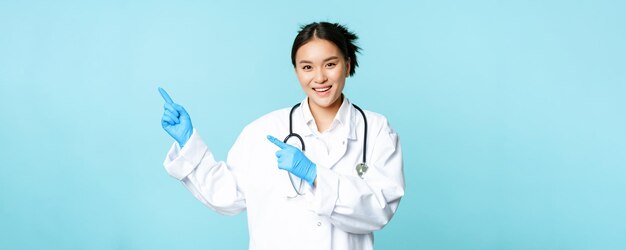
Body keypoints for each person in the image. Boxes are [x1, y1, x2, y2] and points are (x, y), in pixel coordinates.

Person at [159, 22, 404, 250]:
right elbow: (226, 195)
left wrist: (315, 175)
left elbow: (380, 209)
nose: (319, 77)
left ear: (347, 65)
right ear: (296, 71)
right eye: (307, 67)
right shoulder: (263, 131)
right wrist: (188, 143)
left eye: (330, 64)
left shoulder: (376, 130)